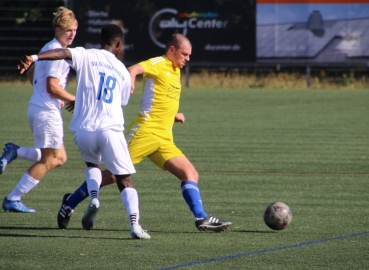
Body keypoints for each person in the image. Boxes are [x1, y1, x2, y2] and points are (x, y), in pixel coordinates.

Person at [57, 33, 232, 232]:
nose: (187, 58)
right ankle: (70, 202)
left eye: (189, 55)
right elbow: (133, 69)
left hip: (164, 137)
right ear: (172, 50)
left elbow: (161, 98)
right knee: (114, 175)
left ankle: (201, 218)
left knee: (190, 173)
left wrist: (173, 114)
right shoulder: (159, 62)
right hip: (145, 132)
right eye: (184, 54)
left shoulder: (175, 71)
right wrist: (130, 79)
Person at [17, 24, 150, 240]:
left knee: (92, 165)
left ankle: (94, 197)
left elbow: (61, 53)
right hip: (110, 129)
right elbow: (121, 100)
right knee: (124, 179)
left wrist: (34, 57)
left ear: (101, 40)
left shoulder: (85, 54)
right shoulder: (123, 72)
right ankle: (135, 224)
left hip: (84, 129)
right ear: (118, 44)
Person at [1, 7, 78, 213]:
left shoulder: (49, 48)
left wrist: (58, 96)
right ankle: (13, 198)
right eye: (67, 29)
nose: (71, 34)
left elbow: (31, 73)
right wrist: (74, 99)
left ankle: (15, 151)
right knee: (50, 159)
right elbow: (52, 86)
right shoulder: (57, 53)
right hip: (46, 111)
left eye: (74, 30)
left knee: (59, 157)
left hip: (39, 107)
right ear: (57, 29)